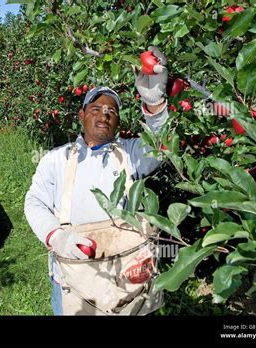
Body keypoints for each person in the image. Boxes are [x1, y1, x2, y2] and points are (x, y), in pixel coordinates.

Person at [24, 47, 169, 315]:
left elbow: (161, 148)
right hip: (73, 274)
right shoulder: (56, 159)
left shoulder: (130, 153)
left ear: (117, 121)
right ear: (82, 115)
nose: (105, 115)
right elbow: (34, 202)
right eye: (96, 108)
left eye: (112, 111)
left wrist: (155, 106)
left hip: (124, 272)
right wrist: (56, 236)